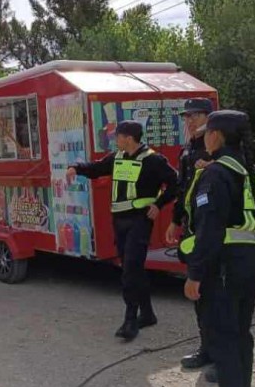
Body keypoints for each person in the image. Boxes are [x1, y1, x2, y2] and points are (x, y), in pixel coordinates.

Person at [181, 110, 255, 387]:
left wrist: (195, 273)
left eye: (207, 131)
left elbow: (209, 228)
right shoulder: (254, 173)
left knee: (223, 339)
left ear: (216, 136)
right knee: (240, 335)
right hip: (251, 259)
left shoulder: (216, 173)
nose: (203, 136)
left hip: (223, 264)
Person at [66, 121, 178, 341]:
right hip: (120, 221)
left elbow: (175, 182)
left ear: (128, 138)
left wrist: (159, 204)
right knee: (133, 268)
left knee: (130, 270)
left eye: (117, 136)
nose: (115, 140)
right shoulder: (117, 158)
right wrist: (76, 168)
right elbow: (96, 168)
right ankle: (147, 314)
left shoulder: (153, 160)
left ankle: (130, 320)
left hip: (140, 220)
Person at [164, 98, 214, 376]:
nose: (190, 120)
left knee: (216, 293)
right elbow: (183, 189)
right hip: (193, 228)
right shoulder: (188, 150)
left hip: (215, 230)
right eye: (187, 116)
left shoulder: (217, 148)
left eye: (196, 115)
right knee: (200, 294)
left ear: (209, 117)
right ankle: (206, 348)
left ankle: (223, 356)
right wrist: (174, 220)